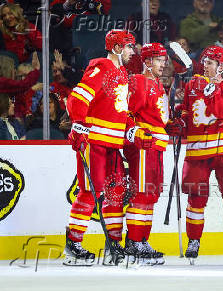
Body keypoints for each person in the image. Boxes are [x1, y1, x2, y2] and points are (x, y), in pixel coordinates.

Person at [63, 29, 148, 266]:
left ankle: (113, 245)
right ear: (118, 48)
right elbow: (77, 98)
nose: (133, 51)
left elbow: (121, 110)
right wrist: (79, 126)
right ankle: (73, 244)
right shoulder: (101, 67)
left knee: (115, 194)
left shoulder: (122, 72)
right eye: (130, 47)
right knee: (89, 192)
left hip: (112, 144)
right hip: (95, 141)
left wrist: (133, 130)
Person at [176, 45, 223, 265]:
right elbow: (187, 115)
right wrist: (178, 123)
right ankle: (193, 242)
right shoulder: (192, 85)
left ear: (222, 67)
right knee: (196, 198)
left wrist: (214, 92)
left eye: (210, 62)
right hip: (197, 152)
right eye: (204, 61)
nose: (204, 65)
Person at [123, 43, 170, 265]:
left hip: (156, 146)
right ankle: (134, 242)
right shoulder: (139, 81)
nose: (164, 64)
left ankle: (143, 240)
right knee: (141, 193)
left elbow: (158, 116)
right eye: (159, 60)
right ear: (148, 61)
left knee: (151, 194)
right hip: (143, 146)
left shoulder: (158, 84)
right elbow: (127, 113)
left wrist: (172, 124)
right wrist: (136, 132)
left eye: (164, 60)